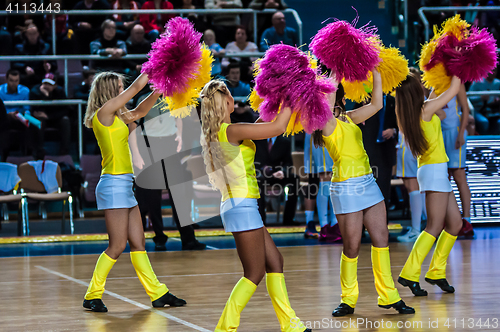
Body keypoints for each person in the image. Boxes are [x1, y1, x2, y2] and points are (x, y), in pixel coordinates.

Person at [200, 79, 310, 332]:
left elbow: (263, 124)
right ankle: (225, 328)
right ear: (224, 102)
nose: (234, 96)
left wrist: (280, 96)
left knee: (276, 263)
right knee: (254, 273)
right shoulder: (231, 130)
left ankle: (291, 324)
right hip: (241, 205)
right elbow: (277, 127)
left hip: (242, 205)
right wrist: (292, 96)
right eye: (229, 93)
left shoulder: (227, 129)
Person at [82, 72, 186, 312]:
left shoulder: (117, 117)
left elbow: (139, 111)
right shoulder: (104, 114)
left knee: (139, 243)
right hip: (113, 184)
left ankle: (158, 293)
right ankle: (92, 294)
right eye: (119, 87)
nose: (122, 90)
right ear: (109, 91)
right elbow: (135, 89)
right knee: (117, 246)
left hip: (125, 184)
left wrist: (158, 91)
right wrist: (154, 67)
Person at [313, 70, 414, 316]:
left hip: (369, 182)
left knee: (382, 240)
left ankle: (389, 295)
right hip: (346, 187)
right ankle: (348, 299)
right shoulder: (324, 121)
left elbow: (378, 103)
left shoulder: (349, 118)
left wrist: (377, 70)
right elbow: (329, 96)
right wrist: (337, 66)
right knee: (352, 247)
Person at [395, 73, 463, 297]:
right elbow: (453, 90)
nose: (423, 84)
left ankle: (436, 272)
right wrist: (459, 66)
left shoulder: (409, 112)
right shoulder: (425, 109)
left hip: (433, 170)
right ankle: (410, 272)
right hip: (434, 171)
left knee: (454, 224)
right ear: (415, 91)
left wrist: (441, 69)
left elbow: (439, 89)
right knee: (434, 226)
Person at [129, 92, 206, 251]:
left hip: (170, 144)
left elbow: (178, 117)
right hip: (149, 146)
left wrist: (179, 136)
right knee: (152, 196)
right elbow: (133, 128)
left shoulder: (173, 96)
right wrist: (136, 154)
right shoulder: (142, 98)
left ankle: (188, 238)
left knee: (180, 193)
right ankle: (159, 237)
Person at [430, 85, 474, 237]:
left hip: (454, 132)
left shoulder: (457, 83)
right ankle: (446, 220)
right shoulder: (432, 83)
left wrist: (462, 133)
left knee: (459, 176)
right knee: (444, 178)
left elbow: (466, 110)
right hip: (438, 133)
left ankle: (467, 221)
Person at [396, 67, 427, 242]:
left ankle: (417, 229)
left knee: (412, 187)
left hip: (407, 146)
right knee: (415, 187)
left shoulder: (407, 100)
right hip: (410, 145)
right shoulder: (420, 101)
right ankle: (421, 226)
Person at [356, 94, 398, 210]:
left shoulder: (392, 101)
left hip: (386, 150)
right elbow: (354, 121)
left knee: (384, 189)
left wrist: (394, 130)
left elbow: (401, 122)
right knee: (365, 189)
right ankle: (364, 225)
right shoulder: (363, 99)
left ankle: (383, 223)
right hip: (367, 150)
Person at [254, 134, 300, 226]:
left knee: (294, 179)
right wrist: (262, 170)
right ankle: (261, 220)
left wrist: (283, 171)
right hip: (261, 174)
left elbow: (288, 162)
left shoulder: (285, 141)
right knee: (257, 181)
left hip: (278, 174)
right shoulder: (257, 140)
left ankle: (288, 219)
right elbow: (253, 160)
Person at [303, 132, 340, 241]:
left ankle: (332, 225)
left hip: (328, 126)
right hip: (320, 125)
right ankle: (327, 226)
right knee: (325, 176)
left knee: (331, 177)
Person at [0, 69, 43, 160]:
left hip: (20, 117)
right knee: (3, 123)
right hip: (5, 118)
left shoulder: (25, 91)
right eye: (11, 80)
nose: (14, 83)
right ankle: (4, 156)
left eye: (16, 81)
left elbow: (27, 109)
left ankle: (30, 155)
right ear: (6, 80)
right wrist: (8, 114)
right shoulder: (0, 91)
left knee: (32, 122)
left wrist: (22, 115)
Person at [30, 73, 71, 155]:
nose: (46, 86)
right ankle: (39, 151)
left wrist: (49, 116)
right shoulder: (35, 91)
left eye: (49, 84)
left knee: (65, 120)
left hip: (55, 118)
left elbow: (66, 110)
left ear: (55, 85)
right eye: (45, 83)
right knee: (38, 121)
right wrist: (44, 96)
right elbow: (35, 110)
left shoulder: (60, 92)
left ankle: (64, 151)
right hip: (41, 118)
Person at [12, 24, 57, 88]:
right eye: (30, 34)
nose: (32, 36)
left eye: (34, 33)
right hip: (25, 76)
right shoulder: (19, 48)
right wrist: (24, 67)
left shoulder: (46, 47)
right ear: (26, 35)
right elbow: (14, 64)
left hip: (41, 75)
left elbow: (54, 64)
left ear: (38, 34)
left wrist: (49, 65)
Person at [468, 67, 500, 134]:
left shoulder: (498, 83)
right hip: (478, 110)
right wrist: (480, 98)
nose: (493, 73)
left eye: (495, 71)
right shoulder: (477, 82)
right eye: (492, 71)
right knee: (483, 122)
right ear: (486, 71)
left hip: (493, 111)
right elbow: (469, 98)